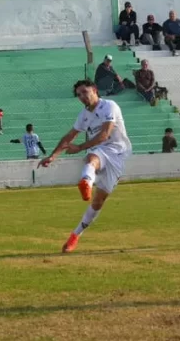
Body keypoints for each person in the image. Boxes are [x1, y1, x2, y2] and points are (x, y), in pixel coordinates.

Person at [37, 79, 132, 253]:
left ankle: (76, 234)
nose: (82, 96)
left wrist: (79, 147)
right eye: (79, 94)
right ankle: (86, 183)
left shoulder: (109, 106)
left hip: (117, 153)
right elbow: (70, 135)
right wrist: (53, 156)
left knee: (98, 201)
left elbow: (104, 135)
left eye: (84, 92)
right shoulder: (83, 115)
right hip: (99, 150)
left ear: (95, 90)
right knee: (92, 158)